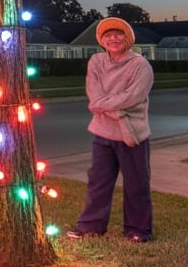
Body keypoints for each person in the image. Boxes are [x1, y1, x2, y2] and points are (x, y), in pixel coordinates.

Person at [66, 16, 154, 243]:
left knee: (136, 184)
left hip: (132, 133)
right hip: (102, 132)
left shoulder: (140, 65)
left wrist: (103, 106)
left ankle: (138, 230)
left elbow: (134, 97)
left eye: (118, 34)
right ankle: (91, 226)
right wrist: (108, 105)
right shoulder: (96, 62)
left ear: (128, 38)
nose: (113, 39)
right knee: (98, 181)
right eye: (108, 35)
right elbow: (94, 94)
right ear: (101, 40)